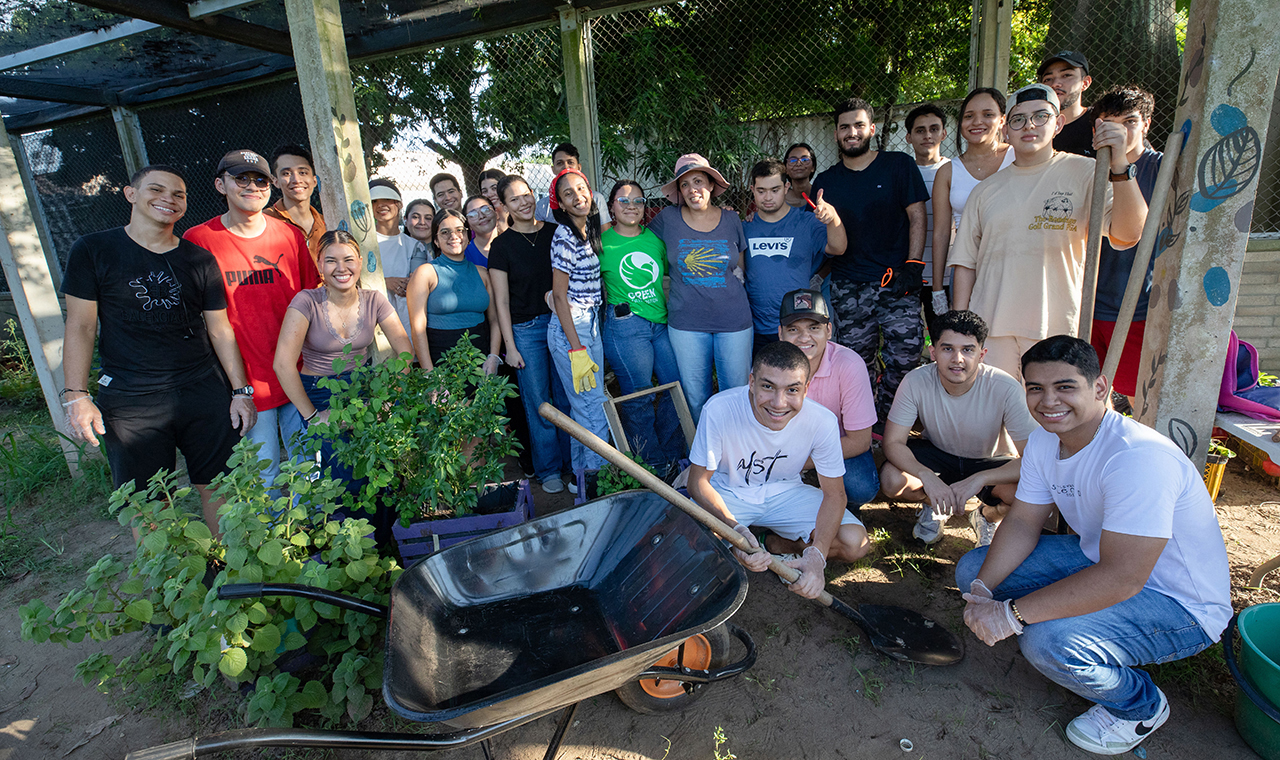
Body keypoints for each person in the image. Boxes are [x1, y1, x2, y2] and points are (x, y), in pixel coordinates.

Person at [955, 336, 1230, 756]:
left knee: (1045, 641)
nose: (1048, 401)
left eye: (1065, 387)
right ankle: (1060, 625)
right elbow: (1026, 520)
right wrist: (984, 591)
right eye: (1035, 388)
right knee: (973, 573)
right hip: (1099, 559)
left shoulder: (1137, 458)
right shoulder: (1047, 440)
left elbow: (1124, 578)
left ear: (1099, 388)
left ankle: (1139, 704)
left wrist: (1011, 616)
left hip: (1179, 603)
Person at [61, 165, 256, 535]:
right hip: (132, 399)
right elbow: (81, 325)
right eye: (157, 189)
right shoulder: (93, 250)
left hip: (202, 389)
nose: (169, 198)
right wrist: (76, 395)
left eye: (179, 194)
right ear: (130, 194)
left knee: (219, 485)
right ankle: (173, 586)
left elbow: (219, 328)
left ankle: (231, 574)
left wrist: (240, 391)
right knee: (147, 498)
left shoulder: (198, 260)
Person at [950, 84, 1149, 382]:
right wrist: (962, 329)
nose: (1029, 126)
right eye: (1018, 119)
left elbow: (1128, 234)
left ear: (1058, 124)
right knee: (997, 420)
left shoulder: (1086, 173)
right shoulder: (985, 191)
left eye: (1040, 116)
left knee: (1052, 417)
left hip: (1055, 327)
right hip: (992, 328)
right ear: (1006, 130)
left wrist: (1121, 165)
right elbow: (965, 263)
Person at [688, 341, 870, 600]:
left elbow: (835, 494)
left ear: (806, 390)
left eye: (792, 390)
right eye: (767, 386)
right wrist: (735, 531)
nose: (778, 403)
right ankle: (742, 544)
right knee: (689, 547)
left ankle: (774, 545)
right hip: (728, 493)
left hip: (786, 492)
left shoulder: (822, 421)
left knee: (853, 542)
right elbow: (698, 483)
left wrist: (818, 555)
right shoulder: (720, 408)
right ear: (751, 381)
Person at [184, 149, 320, 492]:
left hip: (296, 374)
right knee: (264, 476)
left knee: (310, 469)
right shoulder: (199, 241)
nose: (252, 186)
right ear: (220, 184)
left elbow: (311, 302)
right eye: (241, 178)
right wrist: (237, 388)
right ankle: (275, 543)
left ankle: (315, 538)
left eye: (260, 180)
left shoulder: (288, 236)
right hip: (244, 382)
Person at [811, 98, 930, 418]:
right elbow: (825, 237)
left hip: (896, 281)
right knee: (854, 361)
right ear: (836, 133)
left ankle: (893, 421)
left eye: (859, 125)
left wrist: (914, 265)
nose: (852, 132)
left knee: (906, 357)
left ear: (872, 129)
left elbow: (918, 216)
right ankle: (864, 422)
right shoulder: (826, 181)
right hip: (849, 285)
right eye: (845, 127)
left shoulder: (898, 165)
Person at [880, 310, 1038, 546]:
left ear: (981, 354)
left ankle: (986, 517)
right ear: (933, 352)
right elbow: (892, 443)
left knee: (1028, 494)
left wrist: (981, 478)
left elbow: (1034, 459)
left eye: (967, 349)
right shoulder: (915, 381)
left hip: (990, 461)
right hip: (938, 454)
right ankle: (935, 505)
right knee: (892, 479)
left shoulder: (1006, 387)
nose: (957, 358)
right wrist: (926, 477)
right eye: (947, 349)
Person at [272, 230, 414, 464]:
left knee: (377, 464)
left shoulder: (374, 299)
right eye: (331, 261)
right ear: (319, 265)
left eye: (348, 260)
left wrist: (388, 398)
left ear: (359, 262)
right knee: (337, 469)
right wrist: (313, 417)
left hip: (364, 388)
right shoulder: (306, 302)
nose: (341, 268)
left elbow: (406, 352)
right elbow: (283, 364)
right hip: (320, 393)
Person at [648, 153, 752, 423]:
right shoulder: (666, 220)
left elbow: (739, 268)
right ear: (679, 191)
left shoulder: (731, 220)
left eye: (698, 181)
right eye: (685, 184)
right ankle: (700, 457)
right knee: (695, 397)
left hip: (734, 320)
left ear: (710, 185)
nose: (692, 189)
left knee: (737, 394)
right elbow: (637, 243)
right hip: (687, 324)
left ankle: (735, 458)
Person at [489, 175, 572, 494]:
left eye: (527, 195)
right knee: (539, 402)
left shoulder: (555, 233)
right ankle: (548, 469)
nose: (523, 202)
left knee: (566, 397)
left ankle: (570, 464)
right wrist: (510, 347)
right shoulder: (502, 245)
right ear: (504, 205)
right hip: (525, 330)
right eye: (514, 199)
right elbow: (501, 301)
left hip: (561, 323)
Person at [599, 180, 685, 473]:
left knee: (677, 386)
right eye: (623, 200)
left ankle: (671, 454)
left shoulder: (654, 241)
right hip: (625, 324)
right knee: (639, 395)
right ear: (611, 206)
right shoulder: (600, 242)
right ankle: (650, 464)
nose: (631, 206)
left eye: (637, 200)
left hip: (659, 323)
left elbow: (665, 279)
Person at [1087, 85, 1164, 404]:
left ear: (1146, 124)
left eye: (1129, 122)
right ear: (1096, 129)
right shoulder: (1086, 171)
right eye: (1110, 123)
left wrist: (1120, 165)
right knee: (1092, 394)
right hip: (1090, 303)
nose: (1119, 131)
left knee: (1138, 395)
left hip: (1138, 304)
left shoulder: (1166, 168)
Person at [776, 289, 879, 519]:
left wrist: (801, 462)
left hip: (837, 447)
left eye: (814, 328)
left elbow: (860, 441)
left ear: (829, 330)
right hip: (785, 448)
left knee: (861, 485)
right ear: (780, 333)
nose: (804, 338)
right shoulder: (769, 366)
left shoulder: (850, 364)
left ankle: (847, 510)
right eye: (794, 329)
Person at [547, 168, 612, 489]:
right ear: (559, 203)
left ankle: (580, 481)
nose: (578, 196)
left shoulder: (589, 230)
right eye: (569, 193)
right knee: (593, 408)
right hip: (572, 329)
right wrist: (576, 348)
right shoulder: (564, 235)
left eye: (582, 188)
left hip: (589, 323)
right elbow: (559, 295)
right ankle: (599, 485)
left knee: (584, 406)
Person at [742, 158, 845, 352]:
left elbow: (838, 248)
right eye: (761, 191)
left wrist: (832, 218)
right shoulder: (744, 227)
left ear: (787, 186)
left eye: (775, 190)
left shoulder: (806, 222)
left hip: (797, 326)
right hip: (756, 328)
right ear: (752, 189)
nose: (768, 197)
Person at [930, 88, 1014, 320]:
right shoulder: (948, 171)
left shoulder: (1018, 158)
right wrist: (938, 289)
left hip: (1013, 266)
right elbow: (941, 233)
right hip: (966, 269)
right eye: (969, 116)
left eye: (988, 114)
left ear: (1002, 120)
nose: (977, 122)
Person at [405, 208, 503, 373]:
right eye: (445, 232)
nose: (454, 236)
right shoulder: (425, 273)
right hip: (441, 361)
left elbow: (494, 320)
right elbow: (417, 328)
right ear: (436, 240)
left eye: (460, 230)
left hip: (481, 360)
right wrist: (430, 374)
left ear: (467, 235)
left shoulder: (483, 274)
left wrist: (493, 357)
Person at [902, 104, 953, 330]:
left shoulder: (956, 170)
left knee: (945, 336)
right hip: (910, 272)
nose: (928, 135)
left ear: (943, 133)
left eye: (934, 129)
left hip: (948, 274)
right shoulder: (900, 173)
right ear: (908, 137)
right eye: (920, 130)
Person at [370, 178, 428, 333]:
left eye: (387, 199)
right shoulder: (363, 244)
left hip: (407, 322)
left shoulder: (415, 246)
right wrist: (385, 282)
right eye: (375, 201)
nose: (381, 205)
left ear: (399, 204)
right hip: (373, 322)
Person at [265, 144, 326, 264]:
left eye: (302, 172)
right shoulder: (264, 222)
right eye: (286, 173)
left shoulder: (327, 224)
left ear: (314, 181)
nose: (296, 180)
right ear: (275, 181)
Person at [535, 143, 609, 223]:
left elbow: (605, 232)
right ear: (553, 169)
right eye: (560, 163)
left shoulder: (597, 199)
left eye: (570, 162)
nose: (566, 167)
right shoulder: (542, 206)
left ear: (579, 167)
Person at [1039, 50, 1095, 157]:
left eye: (1066, 75)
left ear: (1085, 83)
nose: (1055, 84)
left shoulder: (1099, 122)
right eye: (1048, 79)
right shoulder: (1033, 125)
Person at [462, 194, 499, 267]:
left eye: (486, 209)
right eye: (473, 214)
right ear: (468, 224)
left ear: (496, 213)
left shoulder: (512, 242)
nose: (481, 216)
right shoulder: (464, 254)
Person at [782, 142, 818, 211]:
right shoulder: (779, 200)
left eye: (804, 160)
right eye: (793, 160)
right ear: (786, 169)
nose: (798, 164)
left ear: (813, 167)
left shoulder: (822, 197)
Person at [477, 168, 509, 236]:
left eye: (494, 188)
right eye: (485, 191)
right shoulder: (481, 223)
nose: (489, 194)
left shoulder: (518, 216)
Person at [403, 198, 436, 263]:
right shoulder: (398, 249)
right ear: (405, 220)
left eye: (428, 218)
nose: (422, 222)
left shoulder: (444, 250)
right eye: (415, 217)